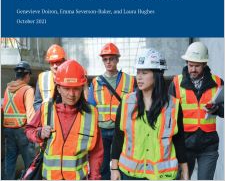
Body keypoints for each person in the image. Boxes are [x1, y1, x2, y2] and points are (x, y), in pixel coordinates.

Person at [111, 48, 189, 180]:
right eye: (138, 72)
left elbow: (179, 140)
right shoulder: (126, 102)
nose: (139, 77)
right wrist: (114, 168)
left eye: (144, 72)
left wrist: (185, 170)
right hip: (131, 174)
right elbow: (118, 136)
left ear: (157, 75)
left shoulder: (173, 105)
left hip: (163, 175)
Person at [25, 59, 103, 180]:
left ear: (82, 88)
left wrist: (95, 178)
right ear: (59, 88)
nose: (71, 94)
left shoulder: (92, 114)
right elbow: (29, 130)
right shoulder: (46, 109)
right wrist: (40, 133)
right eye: (67, 88)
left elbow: (96, 152)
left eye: (76, 88)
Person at [169, 41, 224, 180]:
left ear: (205, 64)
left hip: (208, 145)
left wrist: (217, 109)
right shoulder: (176, 83)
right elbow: (168, 114)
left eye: (197, 66)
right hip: (184, 144)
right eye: (190, 65)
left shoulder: (218, 83)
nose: (192, 69)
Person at [88, 43, 135, 180]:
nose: (108, 62)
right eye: (105, 59)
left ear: (117, 59)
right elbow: (91, 107)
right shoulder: (96, 82)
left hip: (120, 130)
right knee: (103, 167)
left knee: (121, 165)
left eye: (111, 59)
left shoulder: (130, 80)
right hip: (101, 130)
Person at [2, 61, 36, 180]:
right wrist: (34, 133)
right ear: (27, 75)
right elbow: (30, 113)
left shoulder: (7, 89)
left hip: (8, 130)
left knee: (10, 161)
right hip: (22, 131)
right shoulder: (28, 90)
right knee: (30, 163)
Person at [34, 44, 66, 111]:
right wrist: (43, 112)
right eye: (52, 63)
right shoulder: (42, 78)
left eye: (57, 62)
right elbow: (37, 103)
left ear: (64, 61)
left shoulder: (70, 77)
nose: (55, 66)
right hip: (47, 118)